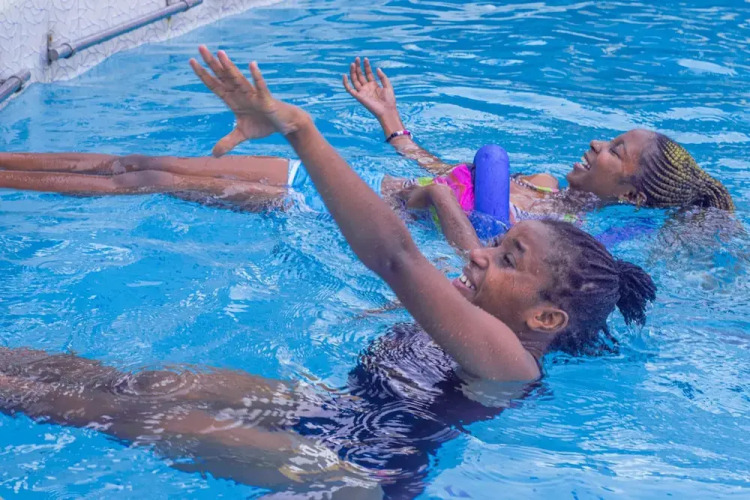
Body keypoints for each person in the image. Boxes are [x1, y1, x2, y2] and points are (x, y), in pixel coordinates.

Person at [0, 47, 657, 498]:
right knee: (143, 384)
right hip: (330, 412)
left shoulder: (511, 362)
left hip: (353, 472)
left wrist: (301, 131)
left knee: (116, 412)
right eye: (498, 242)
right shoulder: (474, 310)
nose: (480, 254)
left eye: (507, 257)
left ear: (546, 316)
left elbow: (396, 258)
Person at [342, 58, 736, 223]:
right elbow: (442, 171)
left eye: (615, 151)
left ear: (631, 195)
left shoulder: (559, 235)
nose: (596, 143)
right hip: (365, 188)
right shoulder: (541, 182)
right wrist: (390, 119)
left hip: (359, 219)